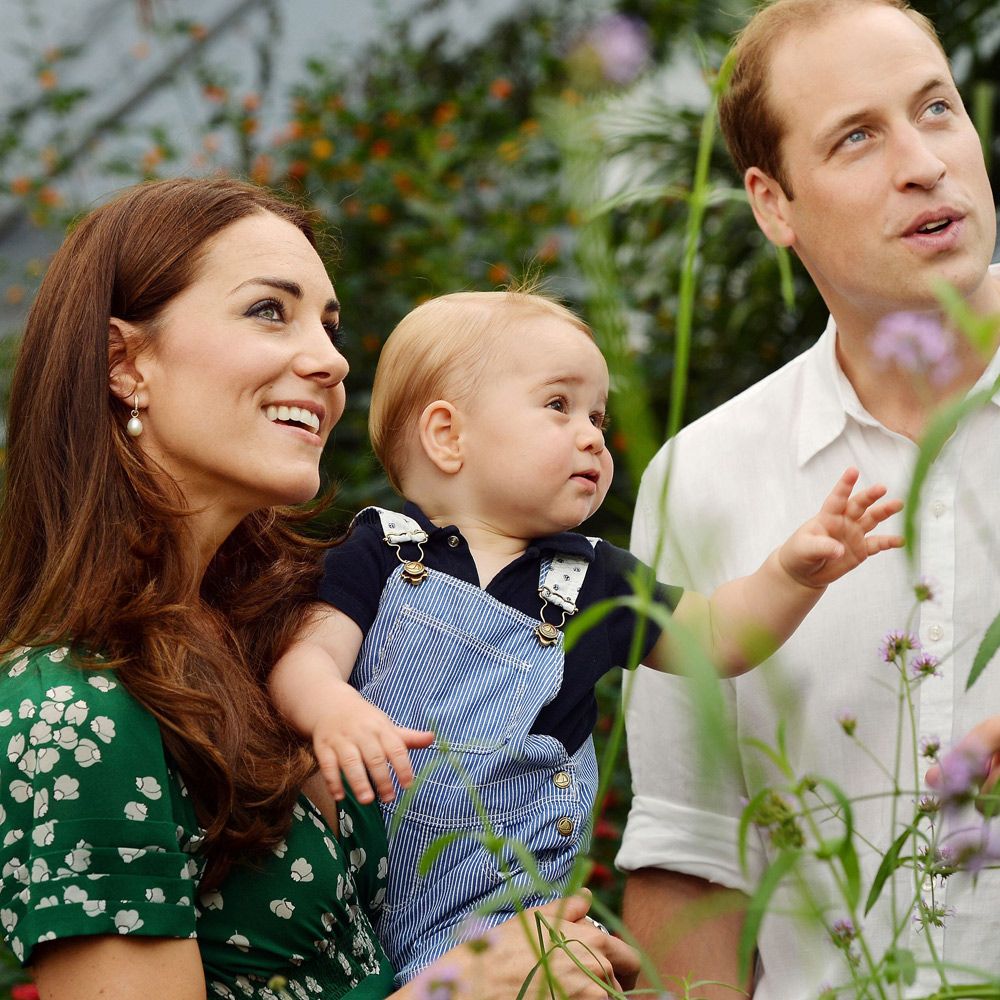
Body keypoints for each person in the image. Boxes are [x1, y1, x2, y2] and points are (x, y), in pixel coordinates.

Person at [0, 177, 640, 1000]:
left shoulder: (291, 632)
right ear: (127, 363)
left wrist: (547, 952)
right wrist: (466, 984)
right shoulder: (70, 707)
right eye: (270, 310)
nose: (332, 359)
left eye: (330, 327)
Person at [268, 289, 903, 983]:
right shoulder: (380, 554)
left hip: (511, 922)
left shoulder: (593, 578)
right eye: (558, 406)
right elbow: (306, 658)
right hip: (354, 907)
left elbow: (719, 637)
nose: (593, 434)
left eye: (598, 415)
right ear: (448, 435)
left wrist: (792, 573)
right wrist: (331, 707)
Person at [617, 1, 1000, 997]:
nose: (923, 163)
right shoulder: (699, 478)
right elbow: (689, 850)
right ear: (772, 203)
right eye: (858, 136)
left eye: (937, 109)